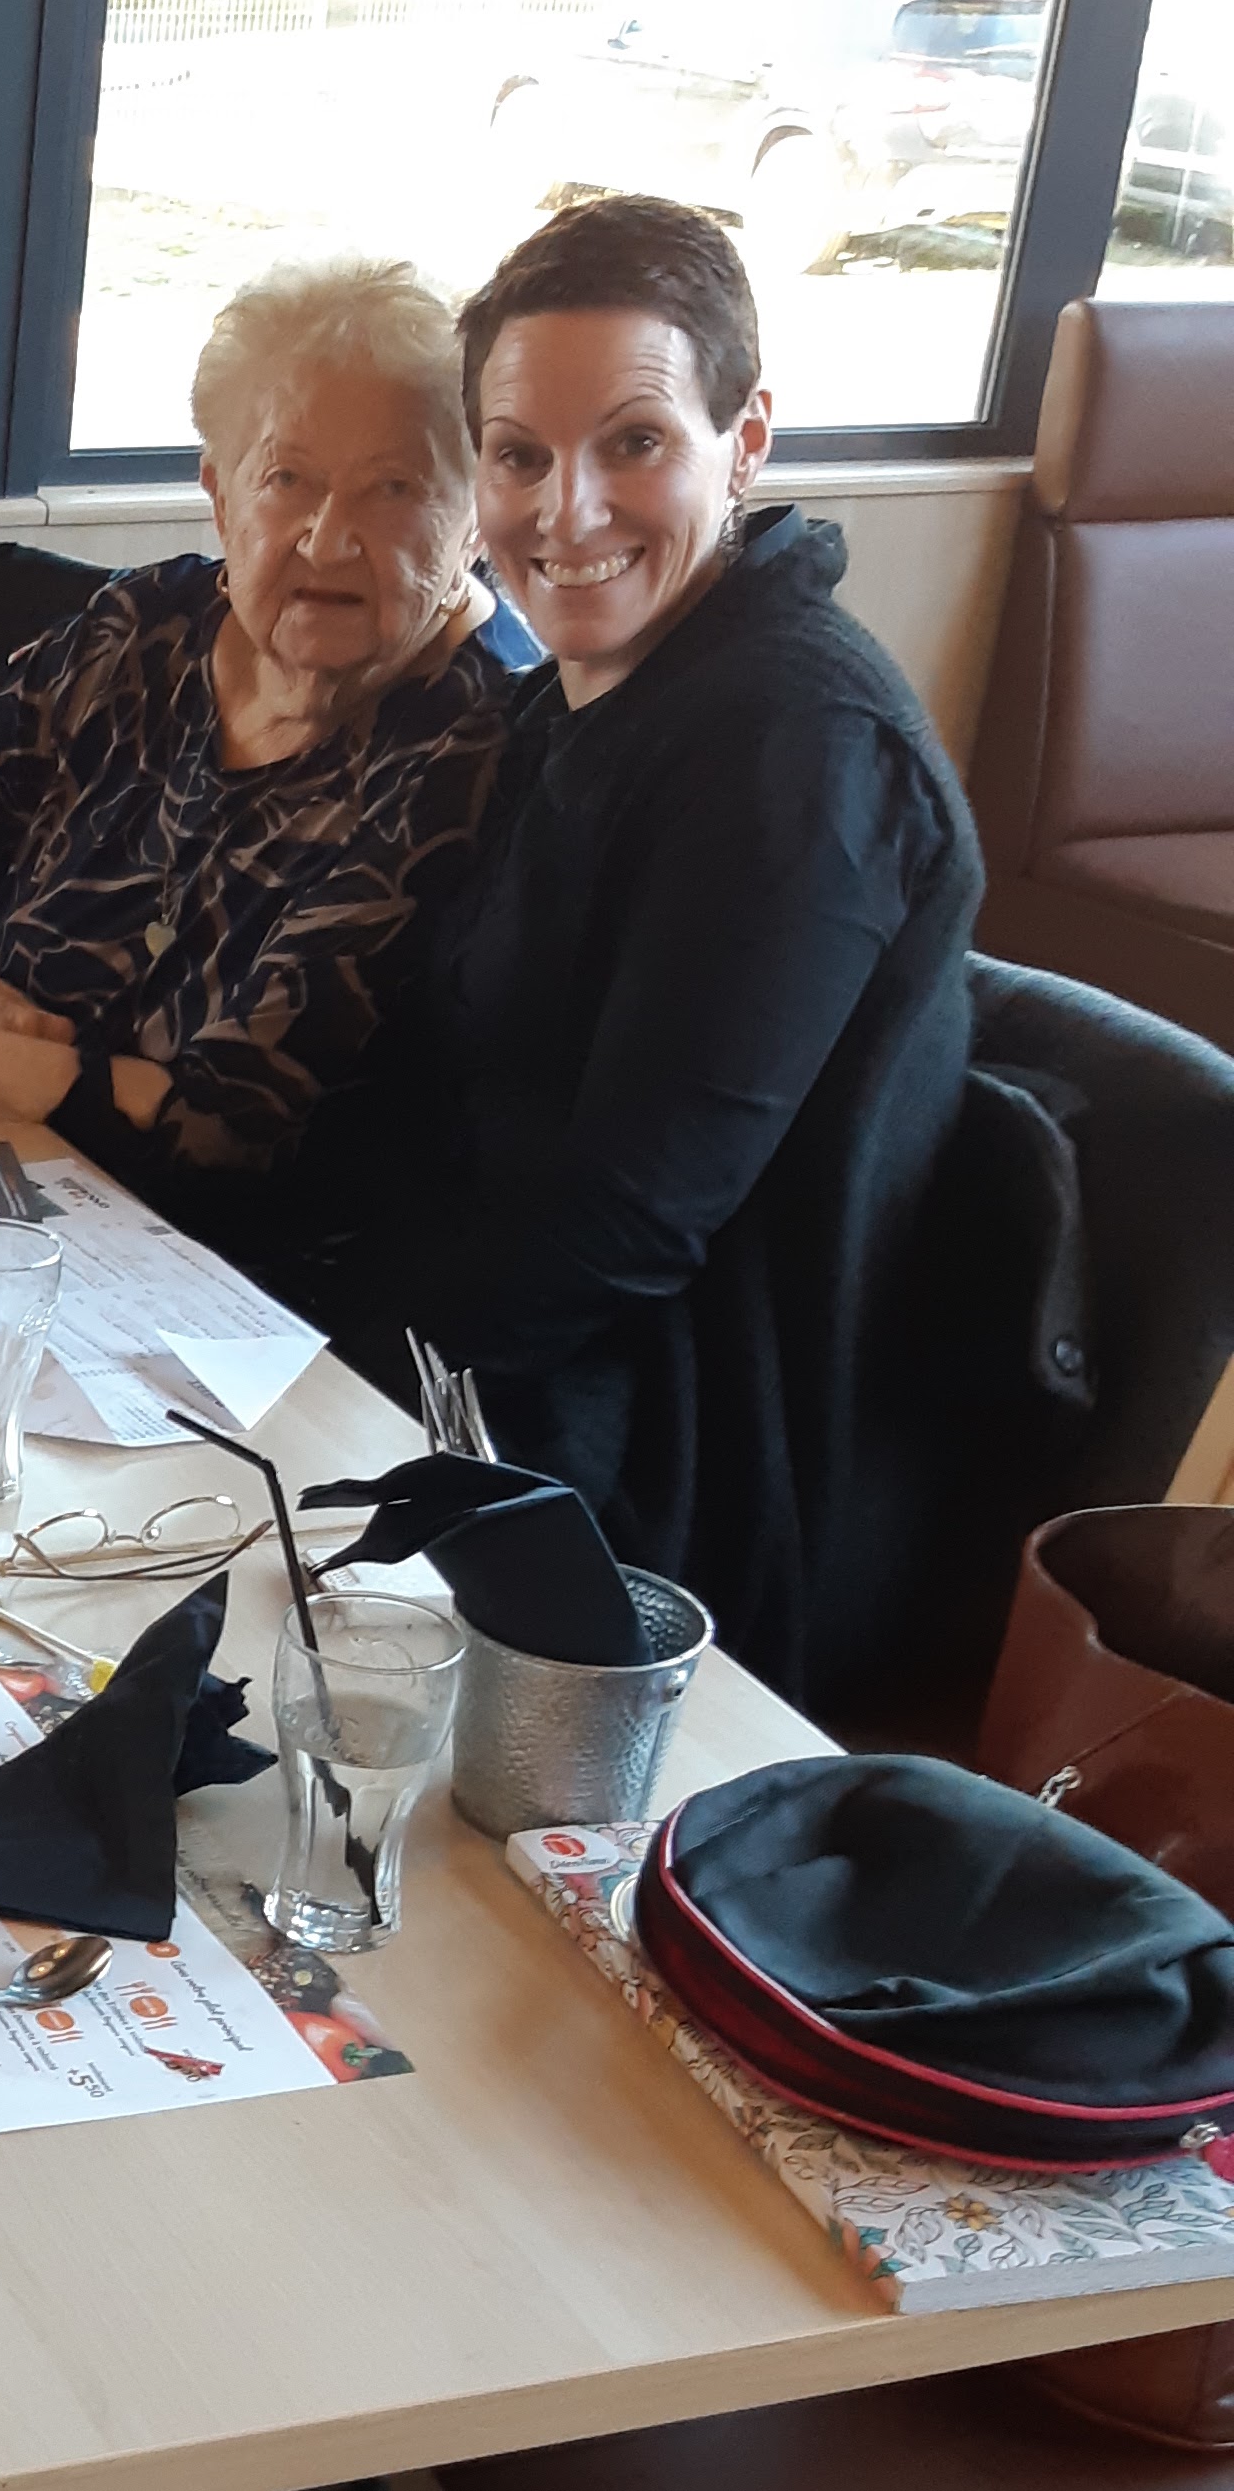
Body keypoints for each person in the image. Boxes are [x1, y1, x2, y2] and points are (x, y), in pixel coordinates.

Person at [302, 193, 984, 1710]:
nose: (568, 511)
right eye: (518, 456)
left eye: (633, 443)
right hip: (499, 1374)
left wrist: (326, 1392)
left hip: (660, 1486)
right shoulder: (581, 699)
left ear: (746, 442)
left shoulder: (799, 748)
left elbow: (624, 1220)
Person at [0, 257, 523, 1225]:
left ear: (476, 516)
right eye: (287, 478)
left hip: (223, 1270)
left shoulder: (475, 747)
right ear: (220, 495)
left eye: (394, 487)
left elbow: (216, 1129)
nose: (328, 538)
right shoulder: (148, 630)